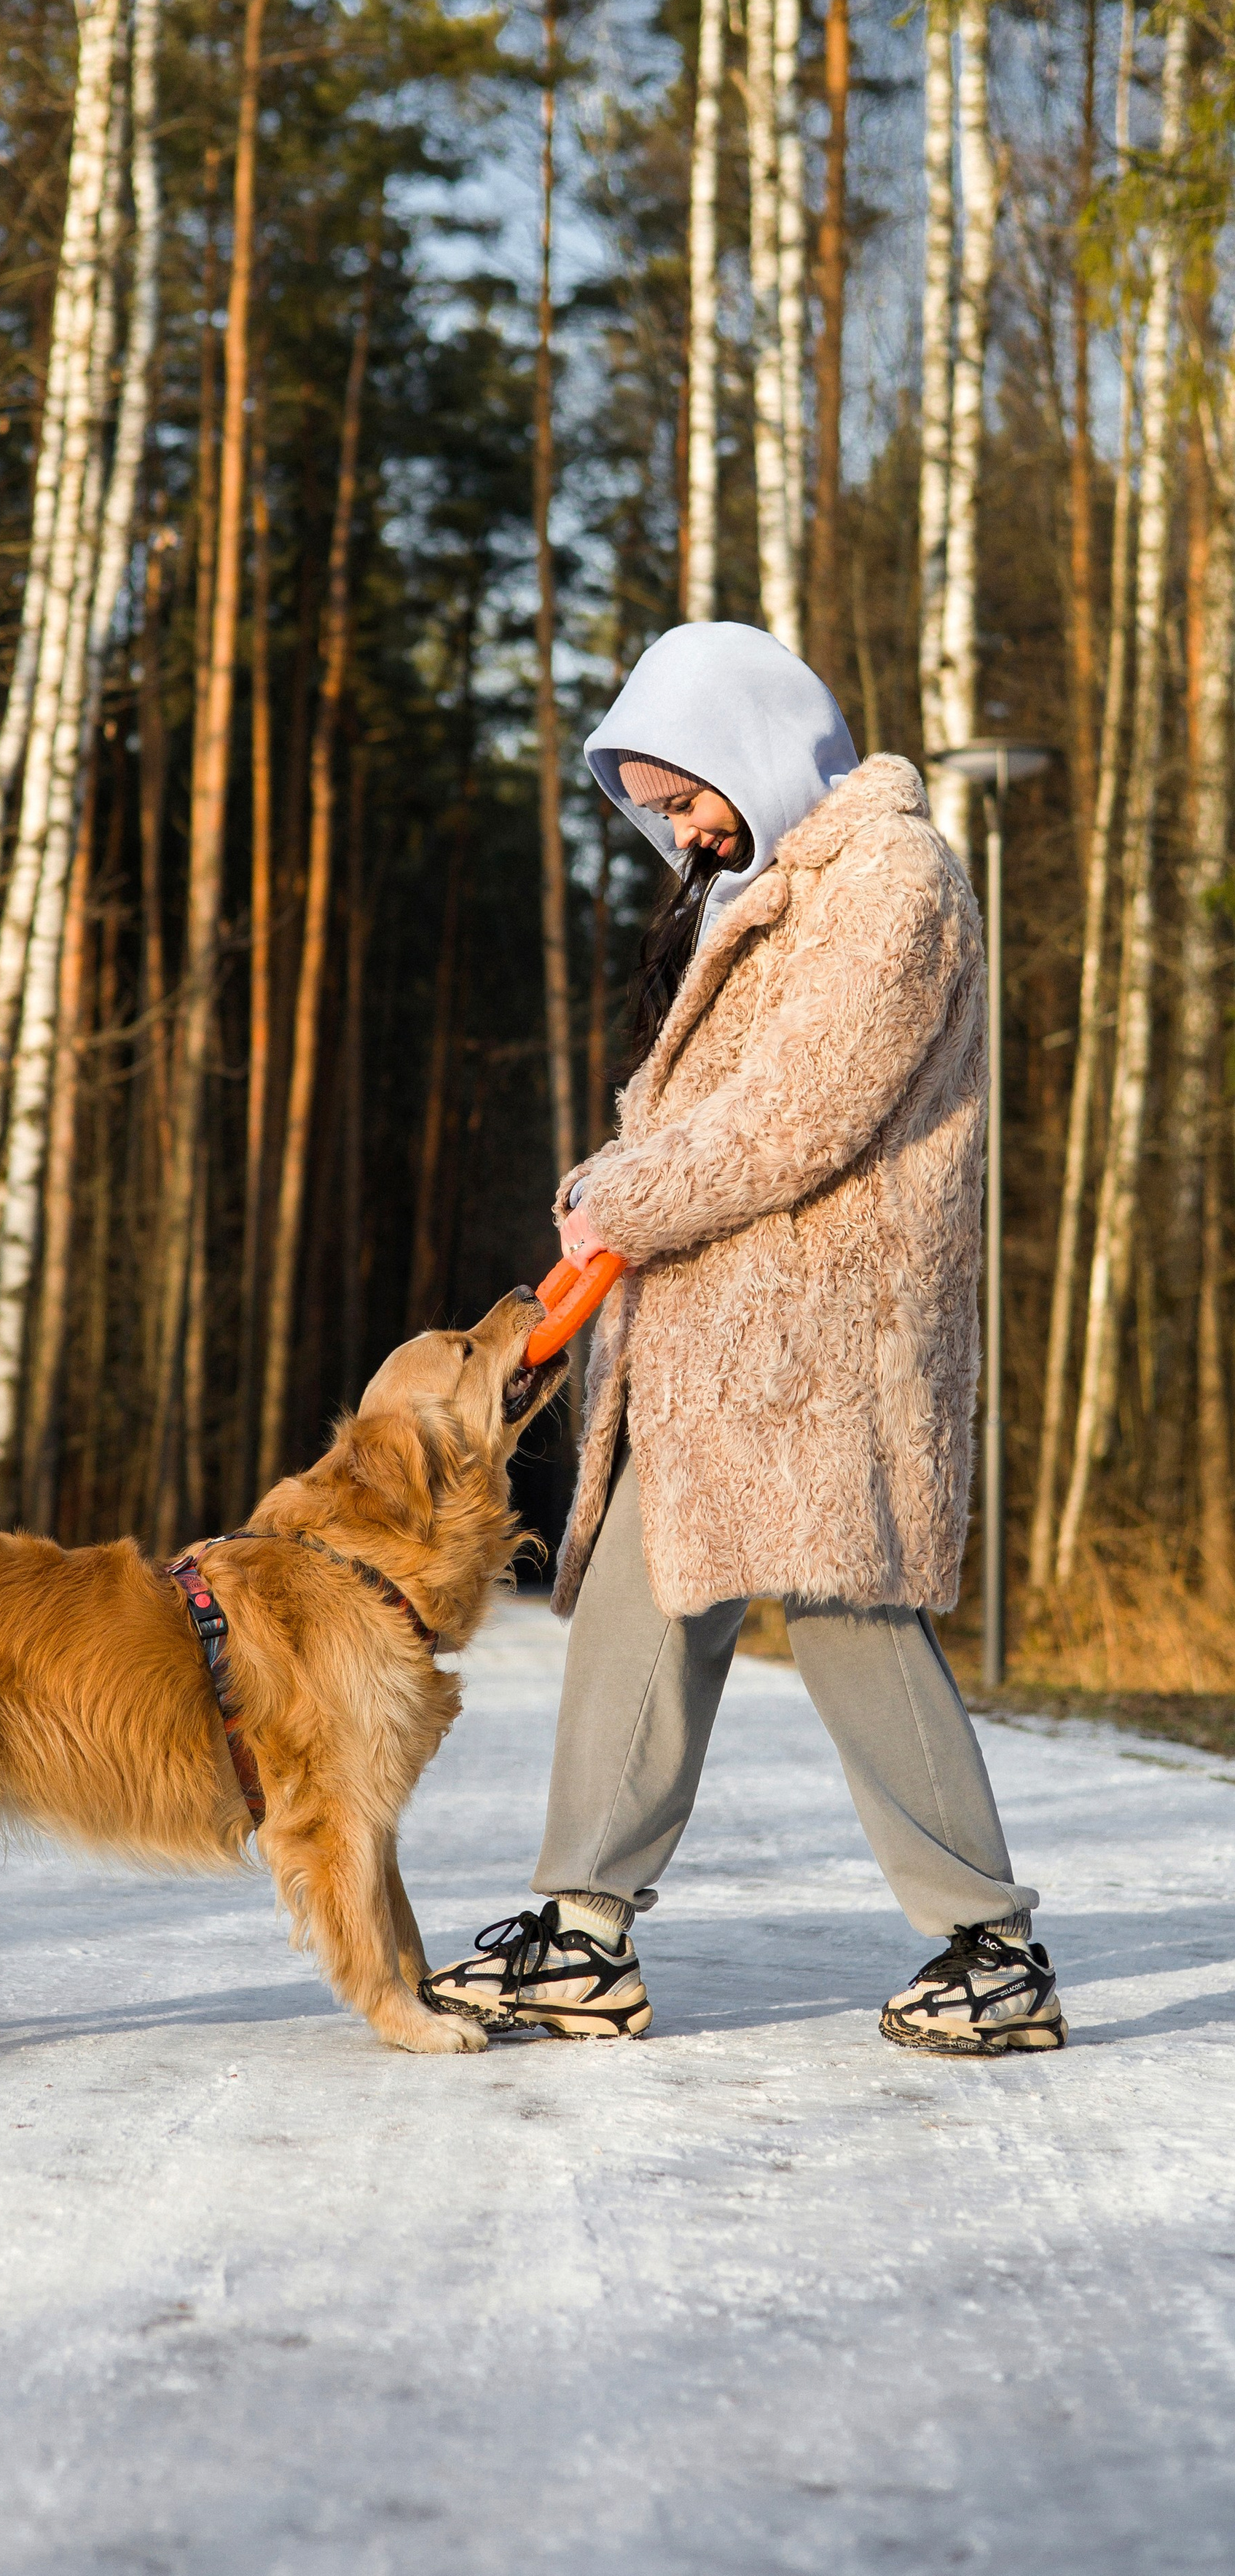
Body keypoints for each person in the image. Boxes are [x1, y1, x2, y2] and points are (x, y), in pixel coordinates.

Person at [423, 620, 1064, 2057]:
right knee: (640, 1604)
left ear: (754, 746)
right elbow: (708, 1112)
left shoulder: (891, 881)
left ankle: (992, 1948)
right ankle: (581, 1934)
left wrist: (622, 1195)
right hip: (716, 1335)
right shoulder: (769, 889)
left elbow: (800, 1110)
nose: (682, 831)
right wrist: (622, 1190)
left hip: (827, 1335)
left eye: (688, 794)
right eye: (657, 811)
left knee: (848, 1615)